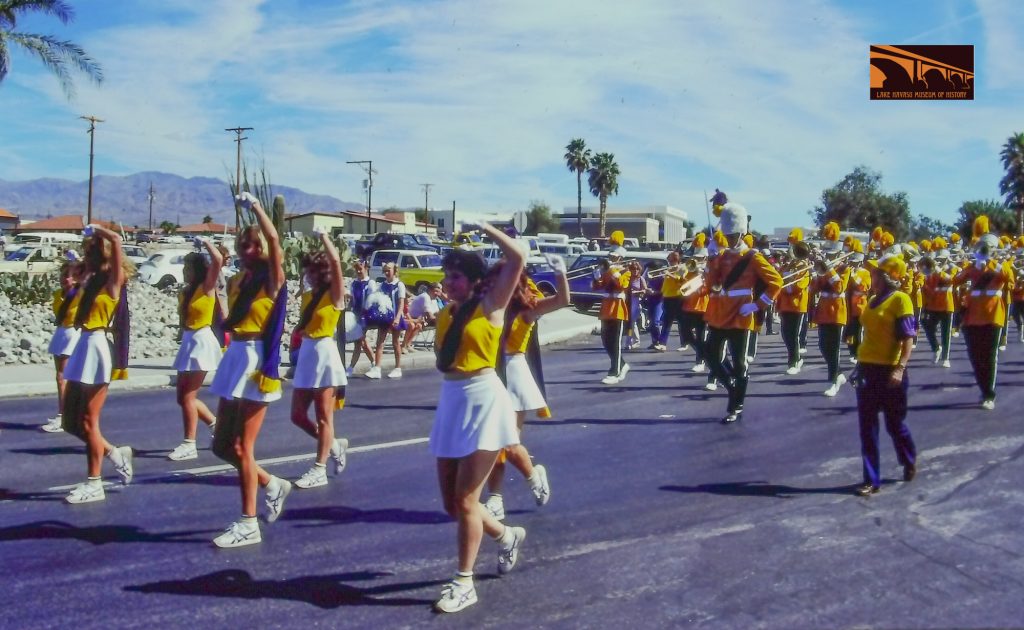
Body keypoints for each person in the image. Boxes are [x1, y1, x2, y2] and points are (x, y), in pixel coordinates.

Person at [430, 222, 528, 614]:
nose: (447, 282)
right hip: (452, 401)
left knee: (468, 499)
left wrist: (484, 228)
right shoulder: (445, 314)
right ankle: (506, 536)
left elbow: (517, 256)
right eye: (446, 276)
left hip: (484, 401)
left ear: (472, 281)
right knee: (452, 504)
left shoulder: (491, 306)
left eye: (454, 277)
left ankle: (464, 582)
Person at [208, 192, 291, 547]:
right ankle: (272, 483)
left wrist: (256, 208)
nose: (247, 250)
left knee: (243, 445)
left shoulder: (272, 278)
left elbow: (274, 238)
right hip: (234, 355)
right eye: (242, 245)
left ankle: (248, 522)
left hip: (256, 360)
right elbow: (228, 319)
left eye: (251, 245)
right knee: (222, 446)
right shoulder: (239, 279)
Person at [482, 253, 568, 522]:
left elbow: (563, 301)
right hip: (489, 373)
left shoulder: (527, 309)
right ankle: (495, 498)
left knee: (505, 441)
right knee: (490, 442)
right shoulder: (487, 308)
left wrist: (560, 273)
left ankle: (532, 476)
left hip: (514, 373)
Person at [60, 224, 134, 504]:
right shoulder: (89, 280)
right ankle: (115, 453)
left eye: (91, 249)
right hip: (82, 345)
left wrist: (99, 230)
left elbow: (116, 238)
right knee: (71, 422)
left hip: (98, 346)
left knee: (89, 421)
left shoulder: (114, 280)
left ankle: (95, 483)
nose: (86, 253)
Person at [702, 199, 782, 423]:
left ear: (740, 232)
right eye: (726, 235)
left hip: (741, 314)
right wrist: (711, 259)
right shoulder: (723, 255)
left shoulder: (753, 257)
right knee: (710, 355)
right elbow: (711, 284)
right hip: (720, 314)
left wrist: (758, 305)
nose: (727, 239)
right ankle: (731, 385)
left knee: (739, 363)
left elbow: (776, 282)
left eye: (731, 235)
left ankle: (735, 406)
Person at [852, 254, 917, 496]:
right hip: (867, 368)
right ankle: (871, 479)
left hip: (890, 371)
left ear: (886, 276)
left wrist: (900, 368)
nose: (871, 275)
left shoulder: (901, 300)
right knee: (867, 427)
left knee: (894, 424)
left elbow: (908, 338)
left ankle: (908, 459)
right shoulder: (872, 299)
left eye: (876, 273)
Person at [290, 229, 349, 489]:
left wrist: (325, 238)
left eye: (315, 272)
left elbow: (336, 262)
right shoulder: (308, 296)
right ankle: (333, 445)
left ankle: (319, 468)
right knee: (297, 415)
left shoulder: (334, 296)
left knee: (325, 416)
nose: (310, 276)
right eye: (308, 272)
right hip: (307, 353)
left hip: (325, 354)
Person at [167, 240, 224, 461]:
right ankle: (216, 425)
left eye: (188, 268)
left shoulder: (206, 287)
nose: (184, 271)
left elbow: (217, 260)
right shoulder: (186, 292)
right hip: (189, 341)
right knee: (183, 397)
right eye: (184, 267)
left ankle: (189, 443)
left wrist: (207, 243)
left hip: (201, 341)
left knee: (189, 396)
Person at [951, 222, 1014, 410]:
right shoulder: (972, 267)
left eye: (988, 248)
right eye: (982, 248)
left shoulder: (1001, 266)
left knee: (990, 355)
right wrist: (971, 266)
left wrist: (993, 265)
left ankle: (989, 394)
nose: (985, 251)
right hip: (972, 317)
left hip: (993, 315)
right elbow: (956, 280)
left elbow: (1009, 281)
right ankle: (983, 388)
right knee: (975, 356)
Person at [41, 256, 83, 433]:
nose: (66, 279)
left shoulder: (79, 293)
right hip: (61, 332)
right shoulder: (59, 294)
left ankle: (64, 416)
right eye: (64, 274)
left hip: (73, 332)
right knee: (61, 376)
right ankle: (67, 413)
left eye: (71, 275)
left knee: (62, 376)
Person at [593, 231, 631, 384]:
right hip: (606, 308)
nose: (611, 259)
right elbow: (598, 287)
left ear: (621, 258)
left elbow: (622, 285)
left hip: (618, 308)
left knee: (615, 341)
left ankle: (614, 371)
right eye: (611, 256)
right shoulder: (608, 271)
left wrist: (613, 272)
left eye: (614, 257)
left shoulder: (625, 271)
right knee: (606, 341)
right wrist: (596, 277)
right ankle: (622, 365)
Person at [366, 262, 406, 379]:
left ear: (395, 270)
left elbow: (401, 303)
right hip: (384, 317)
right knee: (380, 342)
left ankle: (397, 368)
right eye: (385, 270)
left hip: (395, 317)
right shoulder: (382, 285)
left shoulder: (399, 285)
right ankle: (377, 368)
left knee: (395, 342)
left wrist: (398, 317)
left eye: (389, 270)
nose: (387, 272)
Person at [346, 259, 377, 375]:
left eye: (361, 269)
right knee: (360, 342)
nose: (359, 271)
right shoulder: (354, 283)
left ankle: (351, 368)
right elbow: (352, 300)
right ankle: (374, 363)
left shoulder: (370, 283)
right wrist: (348, 312)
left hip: (365, 317)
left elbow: (371, 301)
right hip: (355, 316)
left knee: (360, 341)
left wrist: (364, 315)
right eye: (357, 269)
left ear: (366, 268)